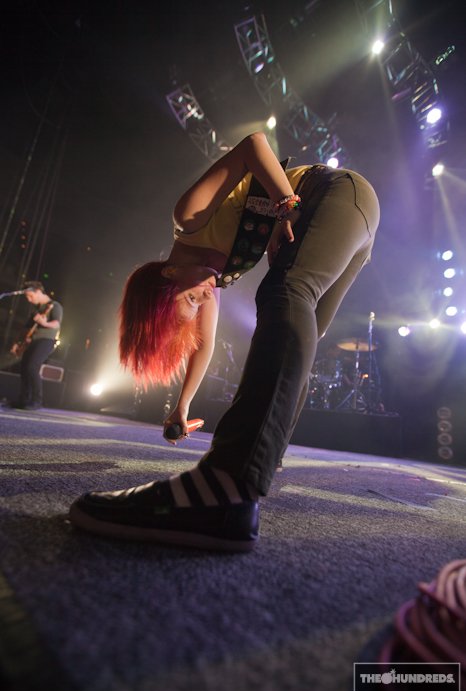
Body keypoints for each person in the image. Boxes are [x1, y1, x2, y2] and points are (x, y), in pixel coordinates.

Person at [69, 132, 380, 551]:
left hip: (335, 192)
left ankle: (230, 477)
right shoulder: (210, 280)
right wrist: (181, 407)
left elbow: (253, 145)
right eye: (198, 304)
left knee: (285, 294)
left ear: (168, 274)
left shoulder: (189, 219)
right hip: (359, 217)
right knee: (303, 334)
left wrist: (286, 206)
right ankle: (261, 461)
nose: (203, 300)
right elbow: (203, 344)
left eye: (191, 300)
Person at [9, 281, 63, 410]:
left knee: (32, 367)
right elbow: (25, 329)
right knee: (24, 368)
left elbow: (56, 324)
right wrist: (16, 343)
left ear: (38, 292)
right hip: (32, 341)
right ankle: (24, 400)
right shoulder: (36, 310)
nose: (29, 300)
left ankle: (37, 400)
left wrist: (44, 323)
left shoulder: (55, 306)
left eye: (30, 296)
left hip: (46, 340)